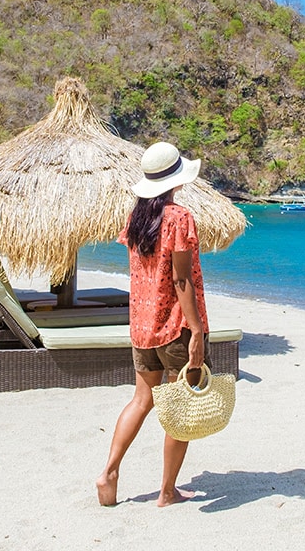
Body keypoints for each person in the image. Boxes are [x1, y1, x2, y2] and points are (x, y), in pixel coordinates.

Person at [96, 142, 210, 507]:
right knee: (181, 406)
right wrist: (195, 331)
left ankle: (109, 472)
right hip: (175, 327)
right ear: (176, 179)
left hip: (142, 326)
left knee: (141, 399)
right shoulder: (179, 218)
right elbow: (181, 281)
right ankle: (167, 491)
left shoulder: (136, 220)